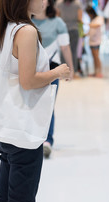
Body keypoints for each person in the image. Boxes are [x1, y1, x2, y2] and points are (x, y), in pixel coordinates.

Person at [0, 0, 70, 202]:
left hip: (8, 126)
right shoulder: (27, 31)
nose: (45, 1)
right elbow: (27, 80)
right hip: (24, 131)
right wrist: (57, 72)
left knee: (3, 199)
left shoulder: (8, 27)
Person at [32, 0, 74, 158]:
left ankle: (47, 141)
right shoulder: (27, 22)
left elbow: (65, 46)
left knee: (48, 104)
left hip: (52, 68)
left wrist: (70, 68)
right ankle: (33, 137)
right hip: (31, 69)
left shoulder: (58, 22)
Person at [56, 0, 83, 78]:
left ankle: (62, 72)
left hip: (62, 29)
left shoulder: (59, 3)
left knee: (62, 51)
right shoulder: (78, 3)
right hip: (74, 29)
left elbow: (57, 17)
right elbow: (79, 18)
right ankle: (72, 72)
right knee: (73, 51)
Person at [86, 6, 104, 78]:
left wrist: (88, 24)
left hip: (96, 41)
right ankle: (95, 71)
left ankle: (99, 72)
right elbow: (90, 30)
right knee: (94, 57)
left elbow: (98, 25)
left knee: (96, 57)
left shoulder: (99, 18)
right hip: (91, 41)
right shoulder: (92, 20)